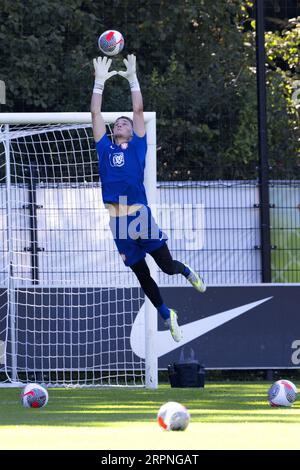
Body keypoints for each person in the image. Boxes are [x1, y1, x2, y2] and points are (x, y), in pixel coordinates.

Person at [91, 54, 206, 342]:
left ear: (133, 130)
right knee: (142, 275)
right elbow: (95, 115)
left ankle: (185, 270)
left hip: (139, 217)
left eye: (125, 123)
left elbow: (138, 109)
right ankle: (168, 314)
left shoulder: (138, 147)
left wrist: (132, 78)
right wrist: (99, 82)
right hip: (117, 222)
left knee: (166, 267)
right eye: (117, 122)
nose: (121, 123)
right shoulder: (104, 149)